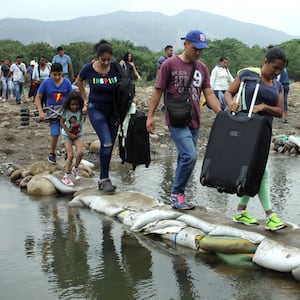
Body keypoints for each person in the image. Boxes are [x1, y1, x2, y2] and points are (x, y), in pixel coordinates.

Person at [146, 29, 221, 210]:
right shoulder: (169, 64)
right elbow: (158, 91)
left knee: (183, 158)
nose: (199, 52)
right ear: (186, 44)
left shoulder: (202, 68)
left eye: (202, 49)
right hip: (175, 119)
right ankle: (176, 193)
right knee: (190, 156)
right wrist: (150, 116)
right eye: (196, 48)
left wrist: (222, 113)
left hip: (194, 119)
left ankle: (178, 195)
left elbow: (208, 93)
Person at [224, 47, 288, 231]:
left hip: (264, 131)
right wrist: (231, 103)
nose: (276, 73)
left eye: (280, 70)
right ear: (265, 61)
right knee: (261, 171)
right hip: (246, 128)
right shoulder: (248, 75)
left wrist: (264, 107)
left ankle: (240, 211)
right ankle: (270, 215)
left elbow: (279, 111)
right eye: (274, 68)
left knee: (255, 170)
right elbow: (229, 93)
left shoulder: (278, 86)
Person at [77, 39, 122, 194]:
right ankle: (104, 178)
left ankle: (104, 178)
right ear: (97, 57)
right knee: (107, 142)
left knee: (109, 146)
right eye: (103, 60)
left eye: (108, 60)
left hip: (114, 111)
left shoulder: (115, 68)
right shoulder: (89, 68)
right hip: (96, 109)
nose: (106, 63)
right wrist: (84, 99)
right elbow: (79, 80)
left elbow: (126, 84)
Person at [35, 62, 73, 164]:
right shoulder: (46, 83)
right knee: (55, 133)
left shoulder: (67, 83)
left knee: (67, 132)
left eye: (59, 74)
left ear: (62, 74)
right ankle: (52, 153)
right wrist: (40, 111)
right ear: (50, 73)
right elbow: (38, 97)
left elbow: (72, 97)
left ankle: (67, 152)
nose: (57, 77)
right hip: (52, 113)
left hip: (65, 112)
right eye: (54, 74)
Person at [60, 91, 85, 186]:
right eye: (72, 105)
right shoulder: (66, 112)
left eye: (77, 105)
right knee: (70, 155)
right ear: (69, 104)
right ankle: (66, 176)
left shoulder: (81, 111)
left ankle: (75, 168)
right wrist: (68, 133)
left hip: (77, 134)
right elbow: (62, 122)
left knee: (80, 152)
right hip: (67, 135)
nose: (75, 107)